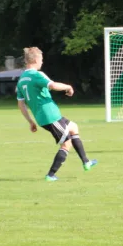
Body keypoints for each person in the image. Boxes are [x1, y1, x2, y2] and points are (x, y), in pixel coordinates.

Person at [16, 47, 97, 182]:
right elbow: (53, 86)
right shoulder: (37, 75)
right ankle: (50, 175)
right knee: (66, 144)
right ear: (36, 60)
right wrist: (68, 87)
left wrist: (30, 121)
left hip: (44, 116)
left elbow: (21, 104)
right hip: (49, 115)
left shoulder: (22, 79)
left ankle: (86, 162)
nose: (42, 62)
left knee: (73, 128)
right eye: (41, 59)